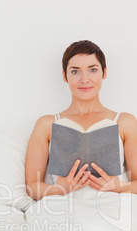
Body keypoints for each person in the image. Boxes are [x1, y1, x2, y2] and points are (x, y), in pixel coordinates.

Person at [25, 40, 137, 200]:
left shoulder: (125, 122)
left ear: (104, 73)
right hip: (63, 206)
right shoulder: (46, 124)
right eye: (75, 71)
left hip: (111, 204)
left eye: (92, 70)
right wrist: (60, 189)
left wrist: (120, 187)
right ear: (65, 76)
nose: (84, 79)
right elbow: (32, 187)